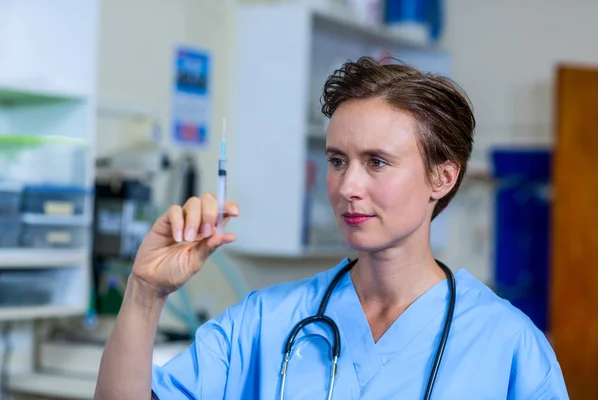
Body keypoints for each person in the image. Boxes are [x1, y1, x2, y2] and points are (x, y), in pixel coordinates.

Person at [94, 57, 569, 399]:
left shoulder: (507, 345)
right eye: (337, 161)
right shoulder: (265, 323)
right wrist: (145, 292)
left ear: (442, 178)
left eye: (377, 162)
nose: (348, 186)